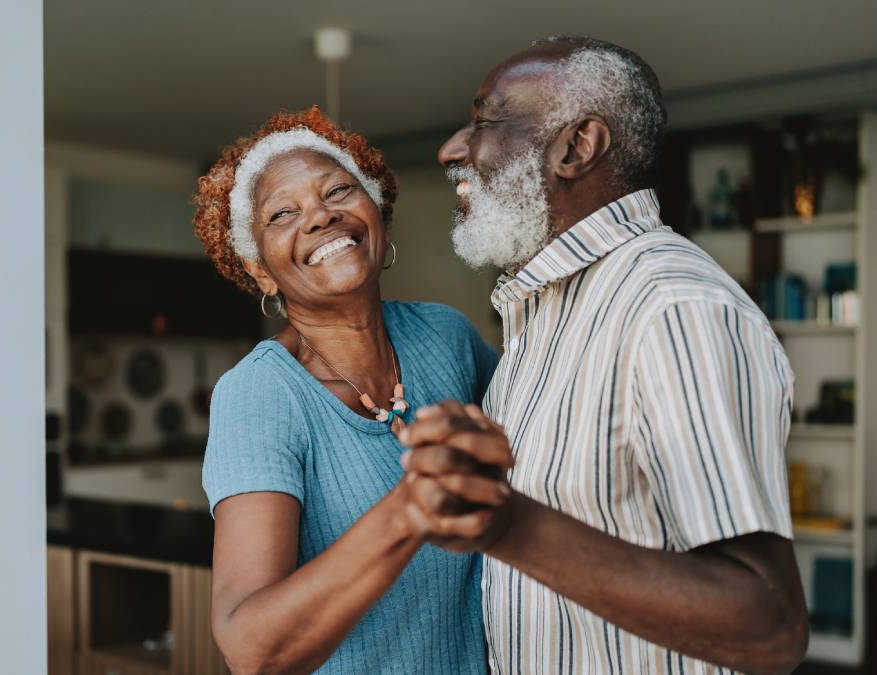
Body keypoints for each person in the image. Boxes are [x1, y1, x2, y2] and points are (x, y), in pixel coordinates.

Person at [396, 37, 810, 674]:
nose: (452, 149)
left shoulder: (672, 309)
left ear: (576, 147)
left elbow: (769, 624)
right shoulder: (544, 315)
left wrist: (508, 527)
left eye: (484, 121)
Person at [193, 106, 500, 674]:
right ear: (260, 270)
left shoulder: (448, 336)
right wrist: (411, 507)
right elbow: (251, 648)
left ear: (376, 209)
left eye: (337, 190)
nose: (319, 217)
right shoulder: (259, 396)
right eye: (283, 213)